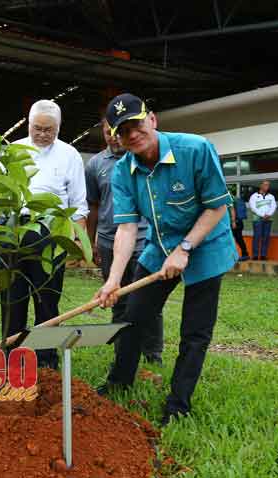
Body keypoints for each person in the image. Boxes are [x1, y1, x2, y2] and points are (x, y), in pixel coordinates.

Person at [96, 93, 237, 426]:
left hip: (206, 246)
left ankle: (178, 404)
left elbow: (217, 206)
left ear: (153, 119)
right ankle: (119, 381)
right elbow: (127, 229)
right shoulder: (123, 171)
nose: (132, 134)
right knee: (134, 316)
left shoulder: (195, 149)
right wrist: (115, 279)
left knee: (195, 332)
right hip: (159, 247)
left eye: (137, 124)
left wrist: (186, 248)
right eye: (123, 130)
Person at [0, 99, 89, 369]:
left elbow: (79, 204)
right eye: (38, 128)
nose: (43, 134)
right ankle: (11, 355)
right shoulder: (13, 150)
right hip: (14, 230)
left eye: (50, 130)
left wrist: (78, 244)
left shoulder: (69, 154)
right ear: (28, 124)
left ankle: (46, 359)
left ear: (59, 127)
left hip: (51, 233)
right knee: (12, 298)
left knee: (47, 297)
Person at [85, 119, 163, 365]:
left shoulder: (143, 157)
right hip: (110, 241)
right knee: (116, 298)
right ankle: (123, 351)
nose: (112, 137)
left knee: (149, 300)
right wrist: (92, 241)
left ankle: (152, 353)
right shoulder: (96, 164)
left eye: (115, 132)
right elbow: (93, 206)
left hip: (144, 241)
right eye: (108, 133)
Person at [249, 181, 275, 260]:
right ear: (261, 185)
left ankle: (263, 255)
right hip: (257, 220)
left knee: (266, 237)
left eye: (268, 185)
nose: (267, 186)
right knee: (257, 237)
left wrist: (268, 214)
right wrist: (263, 215)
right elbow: (253, 207)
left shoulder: (271, 196)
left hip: (268, 219)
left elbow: (273, 206)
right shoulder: (254, 196)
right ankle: (255, 255)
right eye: (265, 185)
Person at [229, 194, 250, 261]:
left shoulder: (229, 198)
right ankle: (245, 254)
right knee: (239, 239)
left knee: (235, 239)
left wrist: (233, 222)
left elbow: (232, 210)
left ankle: (243, 255)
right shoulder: (234, 198)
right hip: (238, 222)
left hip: (234, 223)